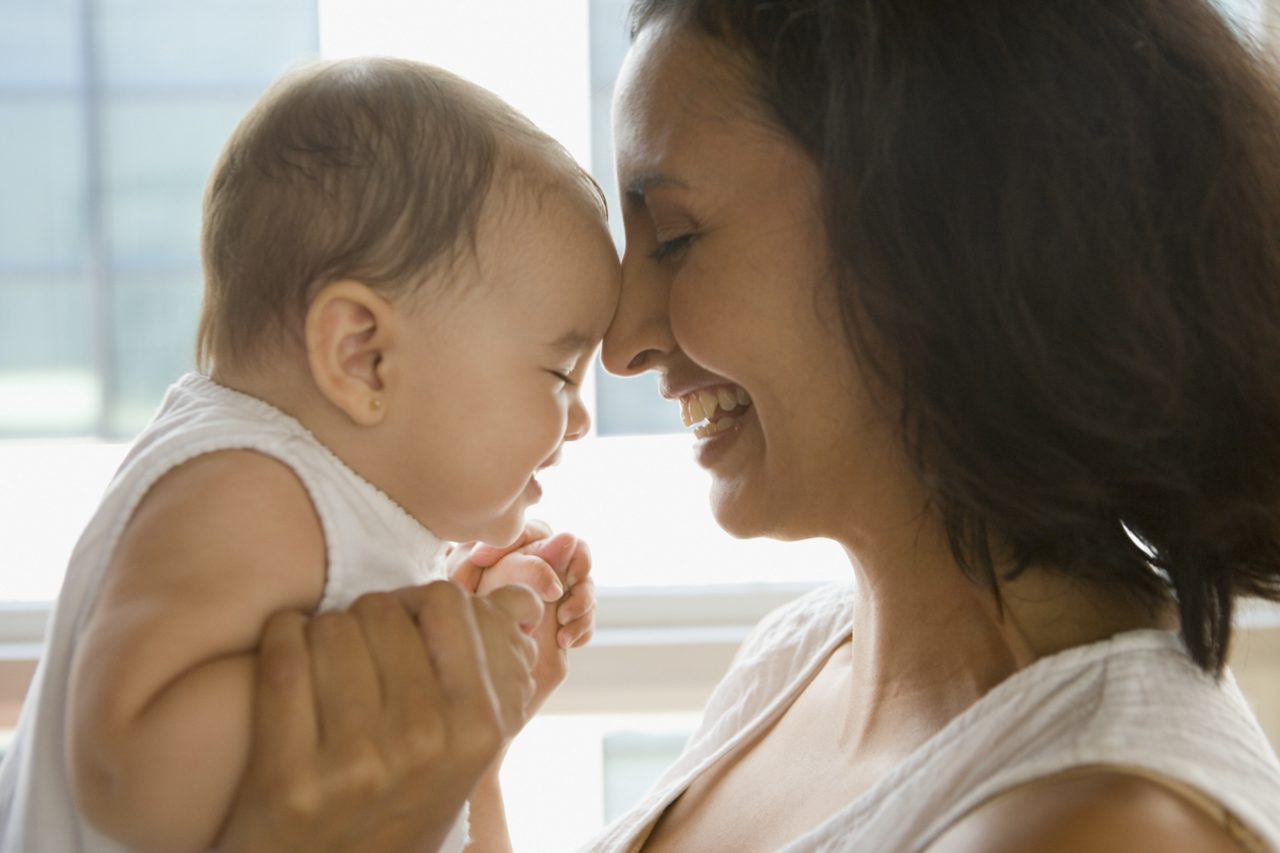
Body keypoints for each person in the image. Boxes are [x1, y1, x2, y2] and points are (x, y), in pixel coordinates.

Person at [217, 0, 1280, 849]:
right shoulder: (802, 663)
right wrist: (446, 776)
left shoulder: (1100, 827)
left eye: (674, 236)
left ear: (936, 238)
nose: (622, 340)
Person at [0, 57, 616, 853]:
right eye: (561, 373)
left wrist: (466, 717)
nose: (579, 419)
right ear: (363, 356)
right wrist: (422, 672)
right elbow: (127, 778)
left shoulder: (326, 506)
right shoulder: (253, 488)